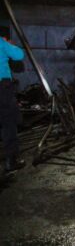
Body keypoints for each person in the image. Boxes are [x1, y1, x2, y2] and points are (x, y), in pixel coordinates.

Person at [0, 35, 25, 173]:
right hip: (2, 87)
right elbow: (19, 54)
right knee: (9, 122)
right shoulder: (0, 42)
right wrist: (6, 43)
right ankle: (11, 161)